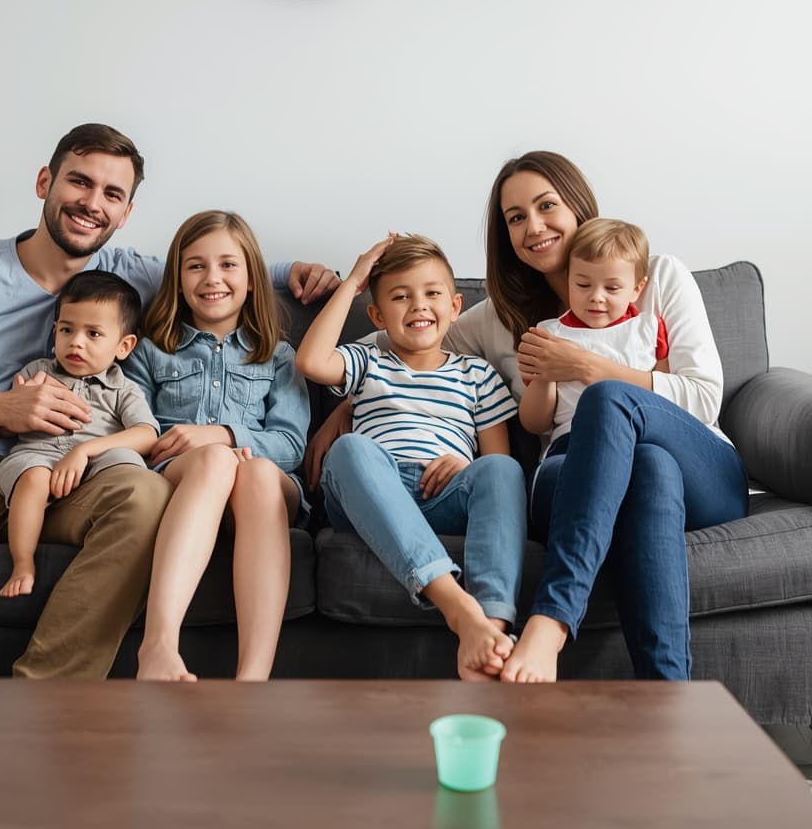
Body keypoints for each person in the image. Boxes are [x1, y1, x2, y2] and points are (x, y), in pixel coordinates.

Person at [0, 122, 338, 719]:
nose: (92, 203)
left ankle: (44, 709)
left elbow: (218, 272)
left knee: (145, 498)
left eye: (112, 194)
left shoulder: (134, 276)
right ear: (44, 182)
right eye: (79, 182)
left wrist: (301, 272)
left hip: (78, 475)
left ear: (126, 213)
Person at [307, 152, 748, 684]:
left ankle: (551, 623)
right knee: (650, 469)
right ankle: (666, 693)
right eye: (516, 218)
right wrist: (346, 406)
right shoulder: (499, 317)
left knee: (612, 405)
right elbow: (407, 340)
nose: (534, 227)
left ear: (577, 205)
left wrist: (586, 367)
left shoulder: (656, 277)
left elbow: (704, 397)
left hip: (698, 465)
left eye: (546, 206)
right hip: (578, 474)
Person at [295, 234, 527, 680]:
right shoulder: (368, 362)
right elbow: (311, 361)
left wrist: (466, 466)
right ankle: (456, 606)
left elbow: (497, 462)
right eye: (401, 297)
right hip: (374, 496)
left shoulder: (477, 374)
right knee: (349, 449)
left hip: (445, 493)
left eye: (432, 293)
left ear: (455, 307)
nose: (419, 305)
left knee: (502, 469)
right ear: (377, 316)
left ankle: (489, 631)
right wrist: (354, 280)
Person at [128, 210, 310, 682]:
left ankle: (252, 679)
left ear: (251, 280)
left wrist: (224, 435)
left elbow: (291, 445)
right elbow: (134, 436)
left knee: (253, 470)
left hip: (262, 489)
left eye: (228, 265)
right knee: (212, 462)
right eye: (196, 266)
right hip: (182, 483)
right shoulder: (150, 350)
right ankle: (159, 647)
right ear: (177, 279)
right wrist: (207, 451)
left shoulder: (278, 356)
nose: (212, 278)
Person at [0, 271, 160, 598]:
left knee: (127, 460)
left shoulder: (123, 389)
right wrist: (17, 413)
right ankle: (23, 562)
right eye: (67, 330)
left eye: (93, 333)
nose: (76, 342)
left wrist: (86, 451)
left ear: (124, 346)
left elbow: (147, 434)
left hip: (95, 465)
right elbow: (5, 426)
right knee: (32, 475)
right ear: (54, 330)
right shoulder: (37, 372)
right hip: (39, 456)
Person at [519, 217, 670, 526]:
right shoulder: (549, 334)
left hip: (638, 444)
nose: (596, 296)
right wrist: (546, 375)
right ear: (568, 280)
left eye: (612, 288)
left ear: (637, 288)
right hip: (570, 444)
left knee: (650, 466)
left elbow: (666, 398)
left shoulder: (647, 329)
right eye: (583, 285)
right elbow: (534, 423)